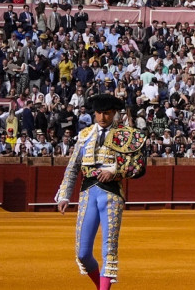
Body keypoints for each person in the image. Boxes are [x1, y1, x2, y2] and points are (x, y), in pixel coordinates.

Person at [55, 94, 148, 290]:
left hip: (112, 193)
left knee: (109, 250)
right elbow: (73, 168)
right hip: (88, 192)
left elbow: (138, 166)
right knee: (82, 253)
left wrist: (114, 171)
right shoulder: (84, 135)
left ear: (113, 113)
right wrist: (64, 195)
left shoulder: (125, 134)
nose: (102, 117)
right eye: (99, 113)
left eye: (106, 113)